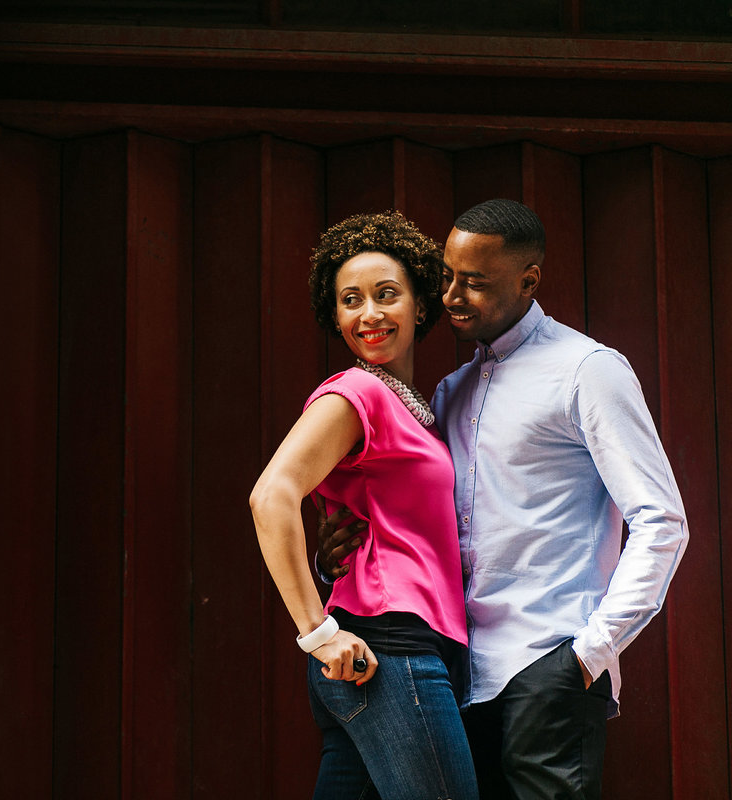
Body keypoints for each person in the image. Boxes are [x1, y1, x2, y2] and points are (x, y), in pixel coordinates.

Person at [318, 199, 688, 800]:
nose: (452, 296)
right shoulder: (450, 390)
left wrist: (588, 653)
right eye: (448, 277)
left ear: (529, 280)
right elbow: (422, 526)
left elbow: (662, 520)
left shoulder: (586, 370)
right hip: (460, 682)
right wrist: (334, 554)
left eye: (476, 283)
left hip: (547, 667)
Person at [250, 211, 478, 800]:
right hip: (388, 651)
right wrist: (316, 632)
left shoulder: (414, 411)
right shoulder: (356, 392)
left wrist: (332, 567)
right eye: (350, 300)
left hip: (396, 652)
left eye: (386, 295)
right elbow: (272, 495)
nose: (368, 314)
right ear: (336, 315)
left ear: (421, 305)